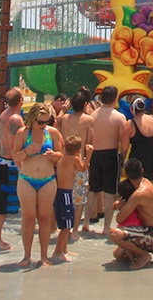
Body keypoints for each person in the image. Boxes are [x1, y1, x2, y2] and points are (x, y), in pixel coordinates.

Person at [13, 102, 64, 266]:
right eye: (40, 122)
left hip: (47, 179)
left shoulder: (53, 133)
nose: (43, 125)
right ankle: (27, 256)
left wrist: (53, 155)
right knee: (28, 218)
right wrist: (26, 152)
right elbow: (16, 157)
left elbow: (61, 155)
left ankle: (43, 256)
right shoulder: (23, 133)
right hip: (27, 179)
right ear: (32, 120)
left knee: (44, 217)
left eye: (46, 122)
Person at [110, 158, 153, 269]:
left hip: (152, 234)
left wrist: (118, 207)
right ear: (142, 171)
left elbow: (119, 219)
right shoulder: (147, 183)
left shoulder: (139, 193)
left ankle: (144, 255)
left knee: (114, 234)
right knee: (118, 255)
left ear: (127, 175)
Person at [87, 85, 127, 235]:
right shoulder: (119, 117)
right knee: (110, 192)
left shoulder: (93, 115)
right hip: (110, 154)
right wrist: (122, 157)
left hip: (95, 154)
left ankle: (85, 223)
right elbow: (123, 141)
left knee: (93, 190)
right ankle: (106, 227)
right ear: (116, 98)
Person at [0, 88, 24, 250]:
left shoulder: (4, 114)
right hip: (10, 163)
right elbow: (12, 147)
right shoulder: (15, 119)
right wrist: (21, 167)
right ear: (21, 101)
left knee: (2, 200)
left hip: (2, 161)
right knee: (3, 203)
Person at [59, 89, 95, 238]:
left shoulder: (66, 118)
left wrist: (63, 110)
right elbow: (90, 142)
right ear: (85, 104)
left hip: (64, 160)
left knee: (64, 194)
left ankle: (64, 227)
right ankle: (74, 231)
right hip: (79, 159)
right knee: (79, 198)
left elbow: (61, 136)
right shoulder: (88, 120)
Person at [53, 134, 92, 261]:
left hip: (59, 193)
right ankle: (57, 252)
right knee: (67, 225)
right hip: (66, 194)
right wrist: (89, 154)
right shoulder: (74, 159)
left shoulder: (62, 157)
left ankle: (64, 249)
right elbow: (82, 169)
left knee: (65, 222)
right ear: (77, 150)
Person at [121, 97, 153, 183]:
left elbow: (124, 148)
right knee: (152, 189)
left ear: (132, 109)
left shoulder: (130, 124)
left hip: (138, 162)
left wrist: (122, 161)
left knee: (136, 190)